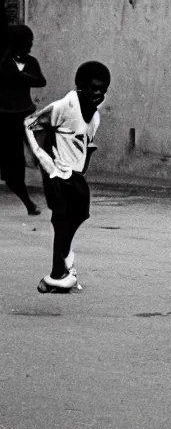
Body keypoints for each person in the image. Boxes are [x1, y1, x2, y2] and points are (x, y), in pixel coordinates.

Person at [24, 61, 108, 293]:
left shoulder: (95, 117)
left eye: (104, 90)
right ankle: (55, 275)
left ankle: (64, 255)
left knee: (81, 213)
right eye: (95, 87)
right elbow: (30, 123)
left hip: (75, 175)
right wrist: (42, 157)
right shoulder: (64, 106)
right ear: (81, 86)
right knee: (61, 219)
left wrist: (86, 157)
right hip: (57, 173)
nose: (99, 93)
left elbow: (84, 144)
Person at [1, 25, 45, 215]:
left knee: (42, 153)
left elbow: (40, 80)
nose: (30, 45)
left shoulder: (30, 62)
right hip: (7, 117)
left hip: (26, 115)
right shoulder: (4, 62)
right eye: (27, 42)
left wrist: (22, 76)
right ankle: (28, 202)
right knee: (14, 165)